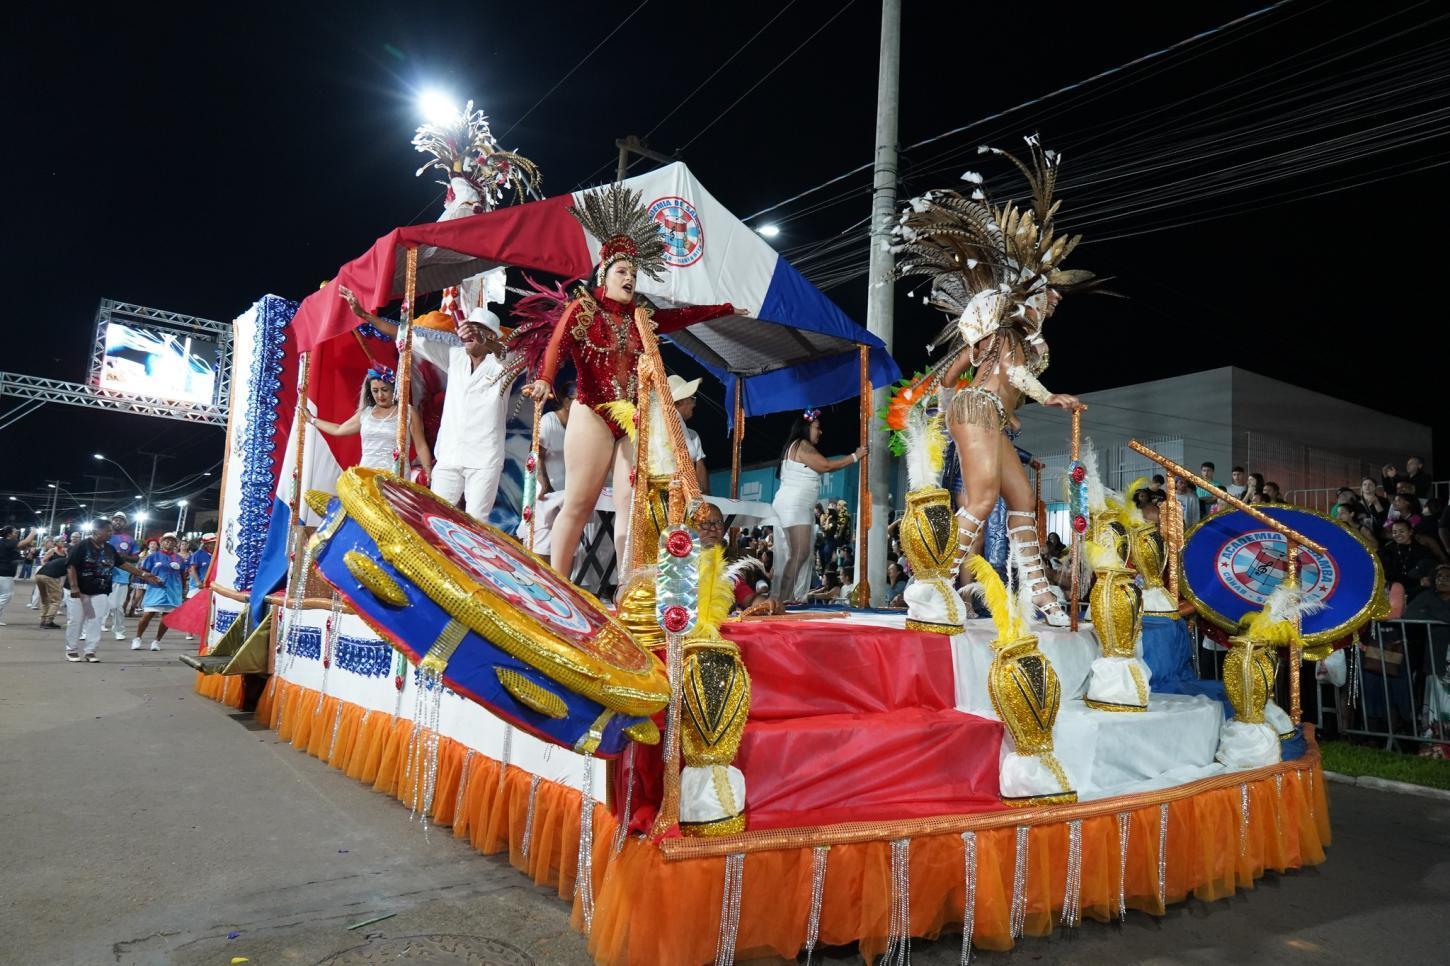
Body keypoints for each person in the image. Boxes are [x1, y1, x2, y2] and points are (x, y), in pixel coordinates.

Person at [893, 143, 1105, 627]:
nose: (1053, 302)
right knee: (983, 497)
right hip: (980, 410)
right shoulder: (1009, 335)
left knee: (1023, 502)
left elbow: (953, 373)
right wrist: (1045, 396)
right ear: (1029, 295)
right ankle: (936, 584)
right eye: (1048, 294)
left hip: (984, 413)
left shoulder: (1006, 336)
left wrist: (948, 405)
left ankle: (1040, 595)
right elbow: (1011, 374)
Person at [516, 183, 743, 578]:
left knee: (632, 507)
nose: (630, 279)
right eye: (622, 271)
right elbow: (557, 344)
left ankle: (627, 591)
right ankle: (557, 583)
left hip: (632, 421)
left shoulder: (643, 318)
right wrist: (546, 380)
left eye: (634, 274)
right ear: (603, 274)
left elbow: (681, 317)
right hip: (593, 413)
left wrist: (722, 308)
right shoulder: (583, 308)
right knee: (580, 504)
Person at [771, 411, 866, 603]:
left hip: (796, 505)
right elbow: (826, 466)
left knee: (797, 554)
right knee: (799, 553)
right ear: (806, 428)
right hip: (794, 504)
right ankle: (782, 599)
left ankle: (784, 597)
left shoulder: (796, 446)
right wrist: (855, 457)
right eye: (817, 427)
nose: (820, 432)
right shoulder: (801, 444)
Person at [305, 364, 432, 475]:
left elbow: (421, 446)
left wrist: (428, 473)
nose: (380, 395)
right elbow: (338, 429)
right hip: (366, 478)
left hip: (395, 478)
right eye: (375, 391)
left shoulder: (407, 412)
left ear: (394, 389)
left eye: (384, 390)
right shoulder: (365, 414)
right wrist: (312, 419)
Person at [65, 519, 158, 662]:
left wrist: (144, 574)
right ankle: (71, 650)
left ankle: (90, 651)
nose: (110, 533)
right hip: (80, 590)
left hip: (100, 589)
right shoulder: (82, 546)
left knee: (96, 620)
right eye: (107, 531)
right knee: (76, 620)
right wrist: (74, 586)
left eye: (110, 531)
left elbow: (123, 564)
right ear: (96, 531)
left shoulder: (109, 548)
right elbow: (71, 566)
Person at [134, 533, 187, 651]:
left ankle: (157, 641)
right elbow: (143, 573)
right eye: (166, 541)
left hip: (173, 592)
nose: (169, 543)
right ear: (161, 542)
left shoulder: (179, 559)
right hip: (155, 591)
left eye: (172, 541)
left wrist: (182, 590)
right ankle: (138, 638)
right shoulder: (152, 557)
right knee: (147, 615)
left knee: (166, 619)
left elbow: (183, 575)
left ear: (175, 544)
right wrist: (153, 580)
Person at [100, 511, 140, 643]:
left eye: (121, 520)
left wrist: (124, 557)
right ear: (112, 521)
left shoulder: (129, 539)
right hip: (101, 574)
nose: (118, 522)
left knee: (116, 605)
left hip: (121, 575)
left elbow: (136, 557)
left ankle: (119, 630)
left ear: (125, 523)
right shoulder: (103, 536)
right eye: (115, 520)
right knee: (98, 602)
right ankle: (94, 627)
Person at [668, 374, 710, 495]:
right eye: (691, 399)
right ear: (679, 402)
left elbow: (699, 466)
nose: (694, 404)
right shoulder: (660, 428)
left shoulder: (693, 435)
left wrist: (705, 497)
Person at [1380, 519, 1437, 597]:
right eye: (1394, 532)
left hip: (1417, 588)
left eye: (1401, 531)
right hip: (1395, 588)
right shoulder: (1387, 549)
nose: (1398, 535)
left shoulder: (1421, 550)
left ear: (1410, 532)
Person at [0, 525, 38, 625]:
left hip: (5, 573)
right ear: (8, 534)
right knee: (7, 595)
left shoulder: (5, 543)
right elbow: (26, 542)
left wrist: (28, 553)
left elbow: (18, 557)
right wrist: (33, 532)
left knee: (4, 595)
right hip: (4, 574)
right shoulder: (7, 542)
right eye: (15, 532)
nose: (16, 534)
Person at [34, 539, 69, 629]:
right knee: (56, 600)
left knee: (44, 599)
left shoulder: (63, 556)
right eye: (61, 541)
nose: (63, 543)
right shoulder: (68, 561)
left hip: (39, 575)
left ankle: (43, 620)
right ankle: (48, 621)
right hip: (50, 576)